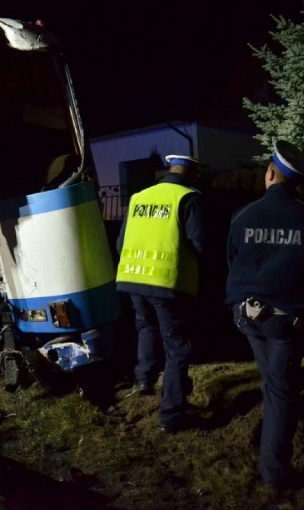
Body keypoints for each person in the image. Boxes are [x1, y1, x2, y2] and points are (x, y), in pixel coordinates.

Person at [225, 140, 304, 490]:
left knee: (273, 381)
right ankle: (274, 472)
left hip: (245, 315)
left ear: (269, 173)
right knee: (281, 390)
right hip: (286, 321)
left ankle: (274, 415)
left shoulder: (242, 215)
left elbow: (232, 259)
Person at [116, 154, 204, 433]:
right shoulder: (188, 198)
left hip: (131, 276)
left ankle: (144, 379)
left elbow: (120, 242)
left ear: (168, 170)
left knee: (145, 324)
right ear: (192, 174)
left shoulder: (140, 197)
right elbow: (200, 243)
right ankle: (171, 415)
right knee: (177, 347)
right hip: (166, 282)